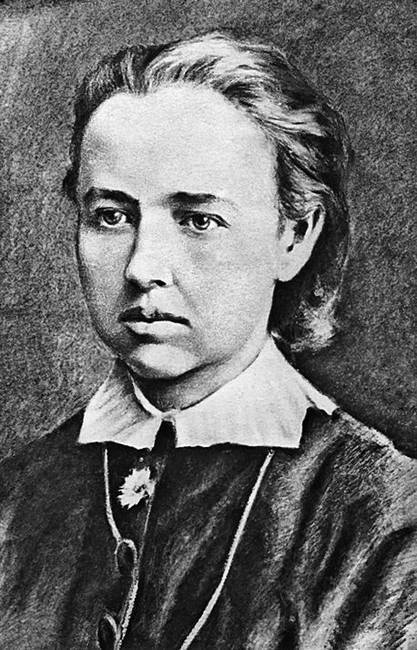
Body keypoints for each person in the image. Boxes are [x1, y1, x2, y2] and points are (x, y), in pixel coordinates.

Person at [0, 31, 416, 650]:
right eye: (111, 216)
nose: (143, 267)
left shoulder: (386, 519)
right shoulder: (14, 501)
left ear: (294, 236)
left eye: (199, 219)